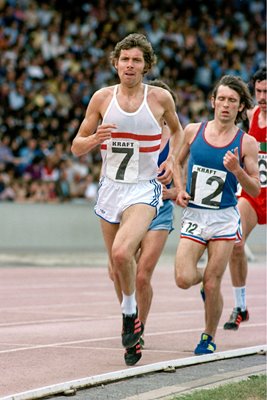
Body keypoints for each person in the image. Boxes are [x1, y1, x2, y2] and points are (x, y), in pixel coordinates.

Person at [71, 33, 184, 365]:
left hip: (142, 188)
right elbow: (76, 146)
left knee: (124, 252)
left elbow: (177, 132)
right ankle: (133, 325)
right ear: (115, 63)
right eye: (125, 59)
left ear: (146, 65)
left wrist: (171, 159)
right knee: (115, 267)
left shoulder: (160, 98)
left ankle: (129, 317)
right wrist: (95, 138)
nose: (130, 65)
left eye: (136, 60)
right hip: (110, 188)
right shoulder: (102, 99)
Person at [174, 75, 260, 355]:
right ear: (212, 102)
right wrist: (178, 189)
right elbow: (175, 162)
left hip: (224, 218)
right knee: (184, 278)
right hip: (196, 216)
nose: (225, 105)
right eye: (221, 99)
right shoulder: (193, 131)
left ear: (240, 107)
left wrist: (237, 170)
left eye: (232, 101)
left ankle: (208, 336)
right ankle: (207, 285)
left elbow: (256, 189)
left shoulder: (246, 143)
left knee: (213, 282)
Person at [107, 79, 177, 364]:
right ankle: (130, 314)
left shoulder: (174, 142)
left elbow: (181, 187)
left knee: (142, 273)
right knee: (117, 270)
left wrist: (171, 188)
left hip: (159, 209)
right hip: (130, 206)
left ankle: (140, 330)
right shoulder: (133, 134)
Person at [224, 67, 267, 331]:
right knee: (235, 242)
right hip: (254, 192)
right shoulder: (251, 115)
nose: (263, 96)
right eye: (259, 91)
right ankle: (240, 306)